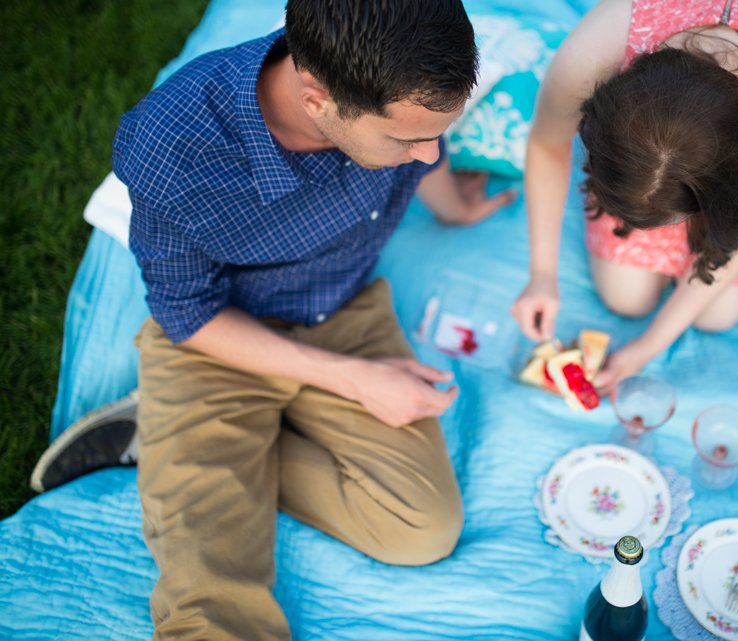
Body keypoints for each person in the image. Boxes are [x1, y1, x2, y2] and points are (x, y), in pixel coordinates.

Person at [31, 1, 514, 639]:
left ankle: (172, 447)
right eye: (404, 139)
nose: (427, 156)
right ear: (316, 100)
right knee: (213, 600)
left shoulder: (395, 81)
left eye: (437, 132)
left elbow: (426, 141)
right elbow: (186, 311)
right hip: (217, 338)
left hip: (342, 304)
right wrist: (356, 380)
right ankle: (192, 452)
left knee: (420, 528)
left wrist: (451, 206)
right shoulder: (173, 147)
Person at [511, 0, 738, 394]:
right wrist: (541, 275)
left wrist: (650, 345)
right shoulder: (597, 48)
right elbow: (547, 143)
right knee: (626, 299)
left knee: (717, 316)